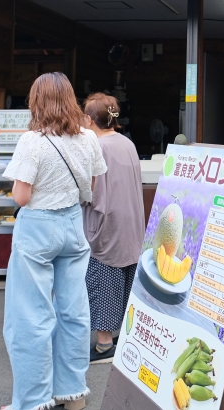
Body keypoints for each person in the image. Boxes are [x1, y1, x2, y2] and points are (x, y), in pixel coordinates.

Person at [1, 73, 106, 410]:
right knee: (73, 311)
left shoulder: (31, 141)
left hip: (37, 227)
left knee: (30, 316)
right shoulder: (88, 138)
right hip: (73, 224)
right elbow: (90, 185)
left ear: (36, 101)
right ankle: (72, 394)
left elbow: (21, 197)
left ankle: (33, 400)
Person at [81, 93, 144, 364]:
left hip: (108, 222)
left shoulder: (97, 146)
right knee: (126, 279)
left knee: (104, 280)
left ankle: (104, 344)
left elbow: (90, 190)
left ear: (90, 119)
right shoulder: (127, 143)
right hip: (130, 222)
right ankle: (123, 336)